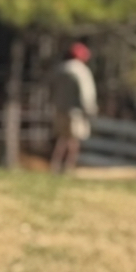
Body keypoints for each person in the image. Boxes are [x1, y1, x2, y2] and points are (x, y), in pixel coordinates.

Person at [49, 41, 98, 173]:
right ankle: (69, 168)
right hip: (76, 111)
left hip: (59, 109)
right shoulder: (81, 71)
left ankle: (55, 166)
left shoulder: (60, 69)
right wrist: (90, 109)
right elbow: (86, 93)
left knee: (61, 139)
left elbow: (50, 88)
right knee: (73, 140)